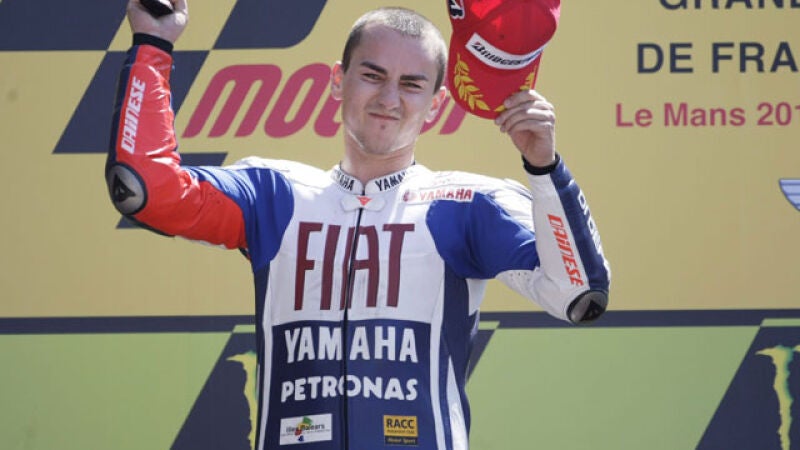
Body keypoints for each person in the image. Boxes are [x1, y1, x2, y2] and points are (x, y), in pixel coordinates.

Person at [106, 1, 611, 448]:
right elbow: (144, 189)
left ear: (436, 104)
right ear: (337, 80)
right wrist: (154, 40)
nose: (389, 98)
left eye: (411, 85)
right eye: (373, 75)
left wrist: (545, 168)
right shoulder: (274, 195)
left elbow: (579, 294)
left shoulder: (466, 204)